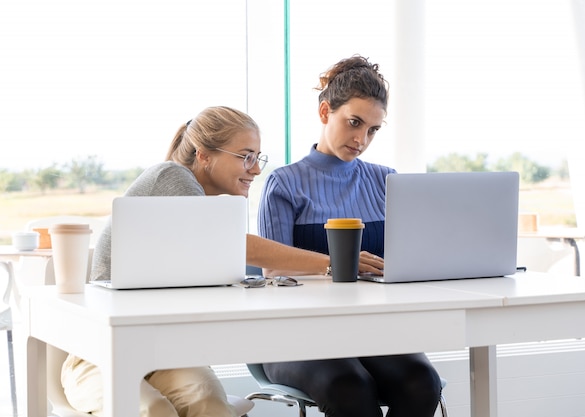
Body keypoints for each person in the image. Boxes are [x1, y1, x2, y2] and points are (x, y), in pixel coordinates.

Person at [61, 105, 383, 417]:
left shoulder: (207, 211)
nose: (256, 169)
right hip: (100, 353)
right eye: (246, 157)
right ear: (203, 155)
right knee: (152, 410)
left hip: (164, 355)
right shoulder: (172, 177)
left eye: (258, 158)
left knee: (209, 403)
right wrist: (334, 262)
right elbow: (236, 245)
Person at [257, 56, 442, 417]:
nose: (361, 139)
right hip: (296, 335)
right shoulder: (285, 184)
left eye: (373, 129)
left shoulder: (386, 180)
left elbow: (406, 261)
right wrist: (338, 266)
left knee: (422, 382)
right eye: (354, 123)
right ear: (325, 112)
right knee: (349, 388)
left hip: (372, 331)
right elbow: (273, 275)